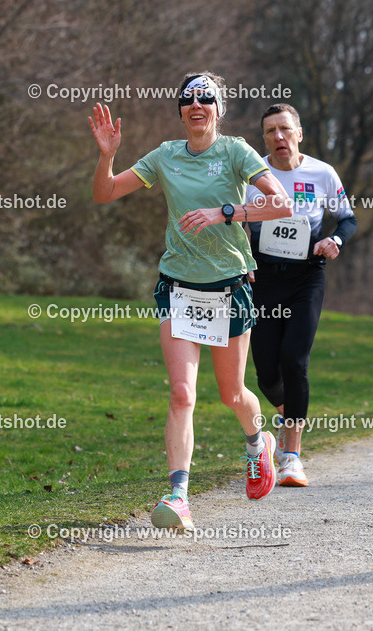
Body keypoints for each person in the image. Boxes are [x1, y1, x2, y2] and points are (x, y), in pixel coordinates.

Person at [89, 71, 292, 531]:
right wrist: (107, 157)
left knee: (233, 394)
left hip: (229, 286)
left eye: (207, 98)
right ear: (180, 110)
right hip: (179, 285)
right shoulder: (165, 155)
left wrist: (227, 213)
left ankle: (257, 442)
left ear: (219, 109)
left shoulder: (235, 151)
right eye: (188, 99)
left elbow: (280, 205)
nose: (197, 105)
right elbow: (103, 193)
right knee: (182, 394)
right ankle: (179, 496)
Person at [245, 104, 357, 487]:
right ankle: (288, 415)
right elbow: (235, 223)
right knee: (266, 375)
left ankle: (291, 455)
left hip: (306, 277)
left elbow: (348, 218)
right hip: (262, 279)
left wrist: (335, 239)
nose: (278, 137)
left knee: (295, 360)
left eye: (284, 129)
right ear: (264, 139)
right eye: (270, 131)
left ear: (299, 133)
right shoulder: (252, 172)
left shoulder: (322, 173)